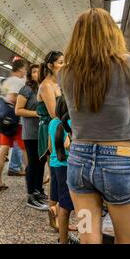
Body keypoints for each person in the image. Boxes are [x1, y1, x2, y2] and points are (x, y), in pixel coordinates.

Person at [60, 8, 130, 244]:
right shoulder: (128, 63)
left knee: (88, 236)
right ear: (112, 33)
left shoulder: (66, 72)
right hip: (118, 162)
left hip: (79, 162)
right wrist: (118, 106)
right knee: (128, 238)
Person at [36, 50, 64, 224]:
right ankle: (53, 213)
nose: (64, 65)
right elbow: (55, 113)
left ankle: (58, 211)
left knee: (58, 172)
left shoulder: (58, 84)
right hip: (51, 131)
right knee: (55, 173)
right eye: (60, 62)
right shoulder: (46, 86)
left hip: (60, 128)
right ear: (50, 66)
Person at [15, 64, 47, 210]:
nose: (37, 73)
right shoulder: (26, 89)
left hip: (42, 132)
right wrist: (37, 114)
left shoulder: (44, 87)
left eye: (39, 71)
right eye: (34, 71)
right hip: (31, 133)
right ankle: (31, 195)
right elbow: (18, 110)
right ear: (30, 75)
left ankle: (39, 190)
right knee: (33, 163)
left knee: (41, 163)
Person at [0, 59, 28, 192]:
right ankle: (32, 180)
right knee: (25, 150)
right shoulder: (17, 81)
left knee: (3, 149)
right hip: (15, 122)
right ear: (21, 69)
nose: (26, 71)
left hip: (4, 121)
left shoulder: (7, 81)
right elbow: (12, 98)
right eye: (25, 69)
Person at [47, 96, 78, 244]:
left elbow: (50, 147)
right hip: (66, 166)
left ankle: (54, 210)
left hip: (54, 163)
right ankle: (56, 212)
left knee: (57, 193)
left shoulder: (52, 122)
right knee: (67, 200)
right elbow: (67, 144)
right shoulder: (70, 122)